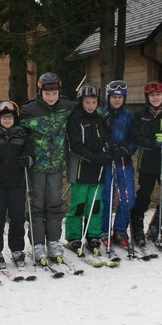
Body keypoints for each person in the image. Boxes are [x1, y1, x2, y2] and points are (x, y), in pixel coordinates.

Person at [20, 72, 74, 264]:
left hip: (56, 165)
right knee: (37, 204)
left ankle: (53, 241)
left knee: (54, 203)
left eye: (54, 92)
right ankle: (37, 243)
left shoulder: (67, 107)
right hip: (36, 166)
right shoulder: (29, 110)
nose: (51, 96)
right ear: (40, 92)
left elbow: (88, 113)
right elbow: (20, 134)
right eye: (47, 93)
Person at [0, 101, 34, 268]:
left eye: (10, 117)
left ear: (14, 118)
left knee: (17, 218)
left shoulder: (23, 137)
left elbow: (31, 156)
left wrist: (28, 160)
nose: (7, 119)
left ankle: (17, 249)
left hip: (18, 184)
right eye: (3, 117)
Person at [64, 84, 111, 255]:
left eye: (93, 102)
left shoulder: (99, 119)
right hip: (81, 169)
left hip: (98, 170)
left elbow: (105, 139)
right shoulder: (75, 118)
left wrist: (107, 151)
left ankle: (93, 235)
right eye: (87, 102)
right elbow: (75, 145)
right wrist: (94, 157)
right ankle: (74, 236)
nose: (90, 106)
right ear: (81, 102)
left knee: (96, 205)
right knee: (78, 204)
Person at [130, 81, 162, 246]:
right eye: (152, 95)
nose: (155, 98)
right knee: (144, 195)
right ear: (147, 97)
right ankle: (136, 227)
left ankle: (156, 224)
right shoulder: (140, 114)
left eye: (158, 95)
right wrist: (152, 143)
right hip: (148, 161)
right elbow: (136, 137)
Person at [101, 80, 137, 248]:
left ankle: (120, 229)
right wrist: (105, 147)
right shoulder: (102, 114)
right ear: (108, 97)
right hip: (107, 161)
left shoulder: (129, 116)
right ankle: (104, 230)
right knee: (107, 197)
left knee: (128, 198)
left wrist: (127, 149)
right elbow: (97, 135)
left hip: (123, 161)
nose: (117, 100)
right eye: (114, 97)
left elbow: (135, 137)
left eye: (120, 97)